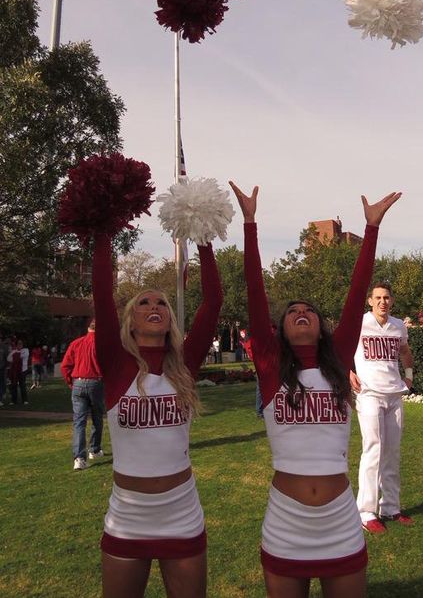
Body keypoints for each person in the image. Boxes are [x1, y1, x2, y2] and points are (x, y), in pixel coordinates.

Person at [230, 180, 400, 598]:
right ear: (280, 330)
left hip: (340, 520)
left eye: (309, 311)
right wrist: (250, 224)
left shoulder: (339, 360)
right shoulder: (271, 368)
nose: (301, 312)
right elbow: (255, 291)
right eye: (293, 312)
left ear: (322, 326)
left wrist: (371, 228)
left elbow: (357, 291)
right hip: (286, 521)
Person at [92, 231, 223, 598]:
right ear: (131, 321)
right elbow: (102, 295)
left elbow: (212, 302)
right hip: (127, 515)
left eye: (162, 303)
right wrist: (103, 229)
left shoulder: (185, 364)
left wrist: (202, 235)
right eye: (144, 302)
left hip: (181, 511)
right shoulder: (116, 365)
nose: (154, 306)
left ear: (169, 318)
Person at [350, 282, 415, 533]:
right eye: (377, 297)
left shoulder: (398, 325)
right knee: (373, 450)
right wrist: (347, 373)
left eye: (386, 297)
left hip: (394, 394)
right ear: (370, 301)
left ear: (392, 300)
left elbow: (405, 351)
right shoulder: (359, 323)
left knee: (392, 451)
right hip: (369, 394)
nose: (382, 302)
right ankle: (366, 512)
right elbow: (338, 350)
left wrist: (408, 376)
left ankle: (390, 506)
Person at [60, 319, 105, 470]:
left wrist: (71, 382)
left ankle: (79, 458)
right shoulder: (101, 344)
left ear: (88, 328)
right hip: (95, 382)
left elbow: (65, 365)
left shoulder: (76, 343)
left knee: (79, 422)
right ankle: (95, 449)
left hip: (78, 381)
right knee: (97, 417)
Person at [8, 339, 29, 405]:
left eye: (21, 343)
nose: (20, 345)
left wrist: (15, 355)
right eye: (18, 344)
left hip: (23, 370)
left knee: (22, 385)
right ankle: (13, 400)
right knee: (14, 385)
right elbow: (8, 358)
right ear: (16, 345)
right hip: (15, 371)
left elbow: (23, 356)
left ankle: (25, 400)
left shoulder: (26, 350)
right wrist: (16, 354)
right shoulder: (14, 351)